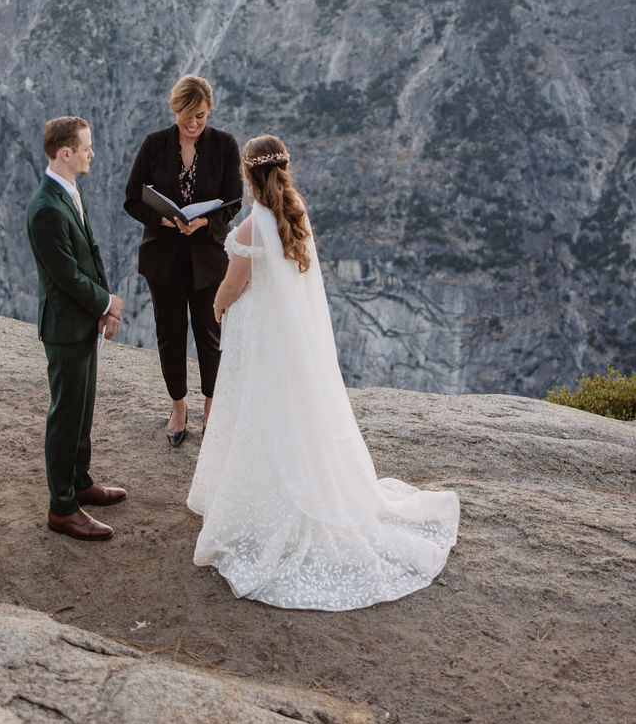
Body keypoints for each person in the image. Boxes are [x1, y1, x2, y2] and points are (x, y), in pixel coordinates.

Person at [187, 133, 460, 609]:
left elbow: (233, 286)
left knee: (257, 414)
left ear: (248, 175)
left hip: (260, 337)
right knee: (288, 416)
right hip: (288, 340)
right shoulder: (294, 212)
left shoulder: (254, 226)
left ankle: (263, 505)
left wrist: (215, 307)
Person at [123, 75, 242, 446]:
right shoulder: (154, 144)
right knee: (170, 335)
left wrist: (205, 221)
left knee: (210, 335)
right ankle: (178, 407)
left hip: (208, 259)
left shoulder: (224, 144)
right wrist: (163, 218)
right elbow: (131, 199)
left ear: (209, 112)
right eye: (187, 117)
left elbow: (234, 201)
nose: (193, 125)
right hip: (165, 260)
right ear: (175, 111)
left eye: (201, 117)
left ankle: (210, 407)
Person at [26, 116, 126, 541]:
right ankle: (62, 507)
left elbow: (90, 253)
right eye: (86, 147)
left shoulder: (70, 190)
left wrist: (102, 307)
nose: (92, 153)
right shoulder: (47, 208)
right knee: (66, 414)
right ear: (65, 153)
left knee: (82, 408)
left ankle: (80, 481)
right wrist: (108, 302)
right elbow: (65, 275)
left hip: (82, 321)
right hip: (65, 327)